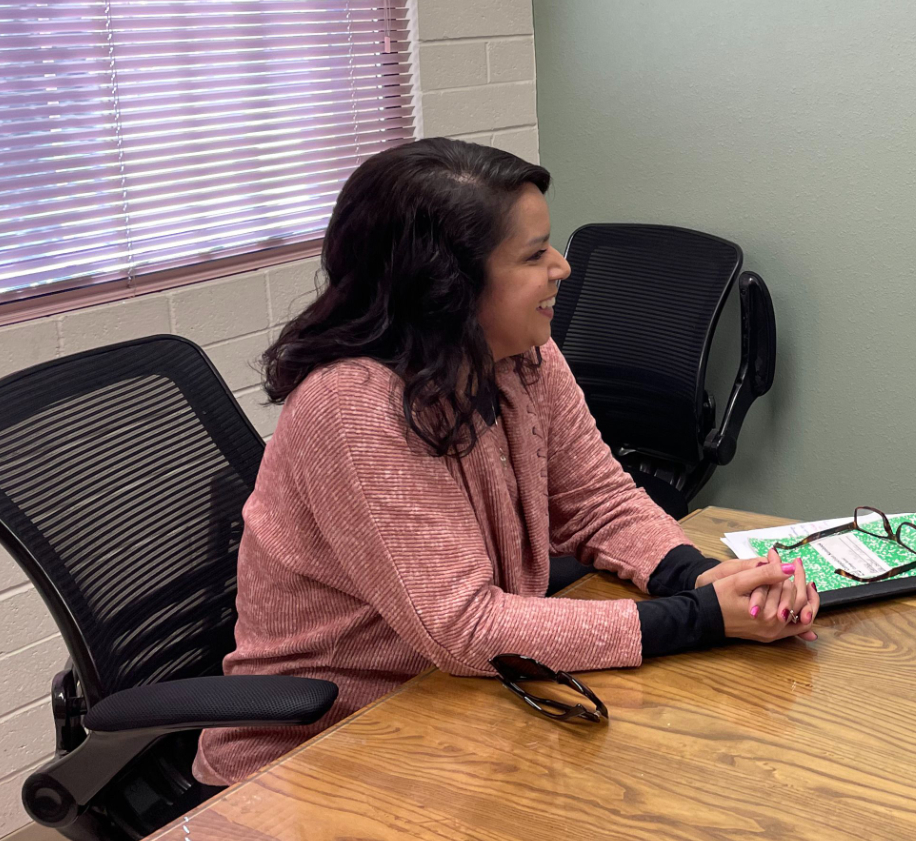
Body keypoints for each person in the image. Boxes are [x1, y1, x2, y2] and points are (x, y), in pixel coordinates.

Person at [196, 138, 816, 784]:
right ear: (445, 286)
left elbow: (598, 501)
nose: (562, 267)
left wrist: (700, 578)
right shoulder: (353, 405)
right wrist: (701, 620)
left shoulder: (521, 355)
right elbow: (465, 627)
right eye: (533, 254)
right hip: (316, 755)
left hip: (459, 707)